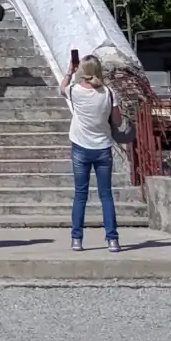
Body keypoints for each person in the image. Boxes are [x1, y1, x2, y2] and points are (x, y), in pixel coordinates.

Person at [59, 55, 121, 253]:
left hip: (80, 146)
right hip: (102, 147)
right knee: (106, 195)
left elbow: (62, 88)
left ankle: (77, 239)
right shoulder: (108, 93)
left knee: (80, 195)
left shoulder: (75, 90)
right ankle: (112, 240)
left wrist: (70, 71)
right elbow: (118, 121)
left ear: (82, 70)